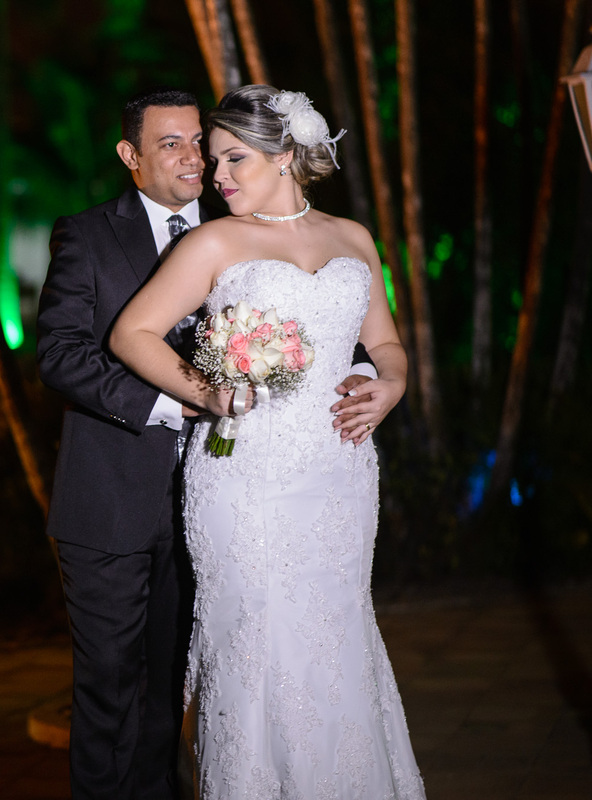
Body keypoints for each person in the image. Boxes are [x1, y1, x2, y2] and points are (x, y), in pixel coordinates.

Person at [36, 88, 375, 799]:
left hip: (228, 495)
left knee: (181, 681)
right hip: (114, 495)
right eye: (172, 144)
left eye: (201, 142)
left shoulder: (242, 225)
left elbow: (321, 332)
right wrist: (182, 397)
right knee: (108, 683)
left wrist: (371, 375)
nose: (196, 159)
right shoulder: (88, 234)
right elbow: (62, 354)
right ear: (129, 155)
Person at [109, 84, 426, 798]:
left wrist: (393, 383)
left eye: (233, 158)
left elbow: (385, 342)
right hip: (246, 478)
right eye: (213, 159)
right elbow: (132, 333)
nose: (215, 175)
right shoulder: (214, 241)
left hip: (340, 473)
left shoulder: (353, 238)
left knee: (337, 632)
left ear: (285, 156)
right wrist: (206, 391)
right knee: (259, 638)